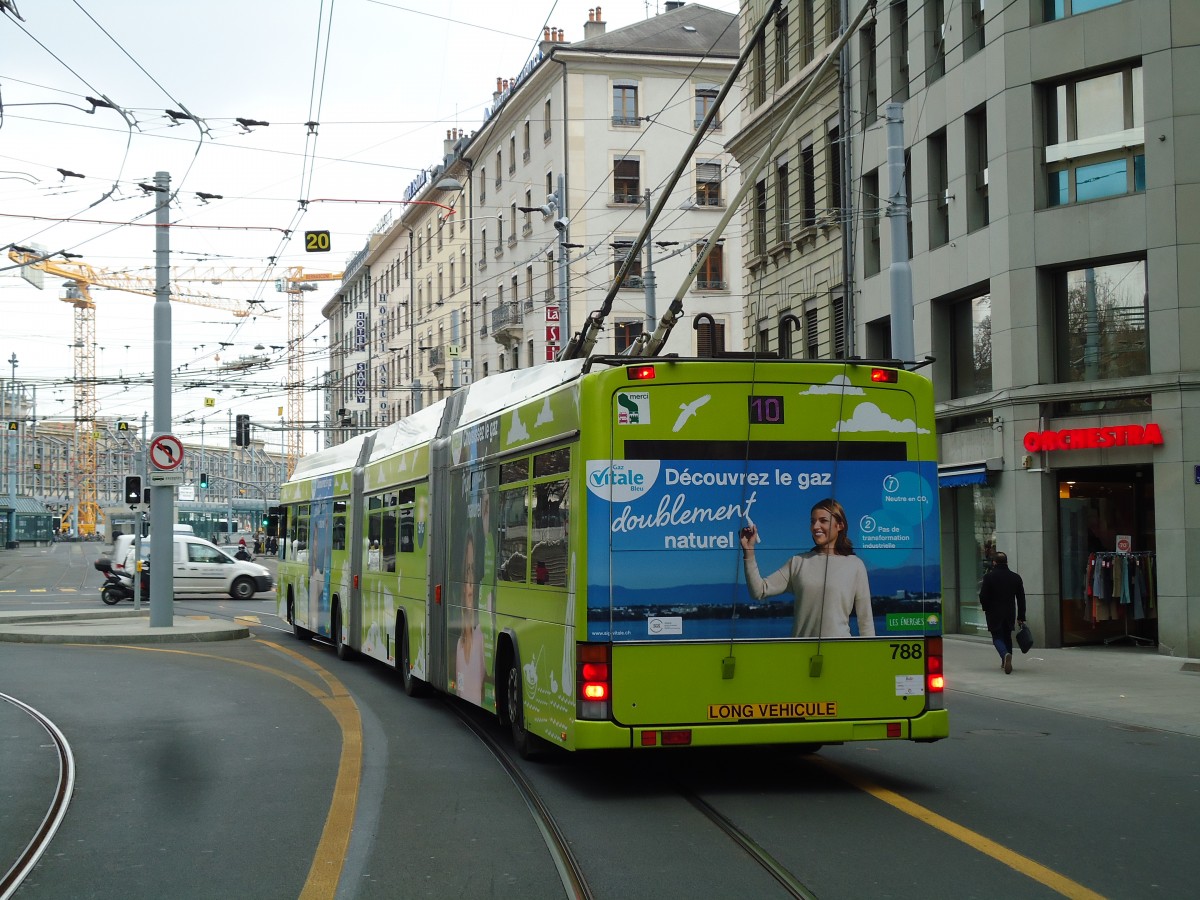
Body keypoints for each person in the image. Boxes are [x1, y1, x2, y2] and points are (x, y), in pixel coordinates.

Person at [741, 498, 875, 638]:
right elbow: (759, 591)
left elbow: (866, 622)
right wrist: (749, 550)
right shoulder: (798, 562)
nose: (815, 526)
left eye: (823, 521)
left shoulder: (855, 565)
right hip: (800, 654)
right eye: (812, 521)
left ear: (839, 525)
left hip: (839, 653)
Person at [979, 551, 1027, 674]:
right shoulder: (1015, 577)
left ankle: (1004, 654)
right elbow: (1021, 598)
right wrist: (1021, 615)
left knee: (997, 637)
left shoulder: (989, 577)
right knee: (1007, 637)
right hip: (1009, 612)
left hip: (994, 612)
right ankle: (1005, 660)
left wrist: (986, 607)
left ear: (994, 562)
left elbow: (983, 596)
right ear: (1006, 562)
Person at [455, 530, 486, 704]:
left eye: (473, 572)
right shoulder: (460, 645)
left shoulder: (482, 636)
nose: (470, 584)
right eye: (467, 572)